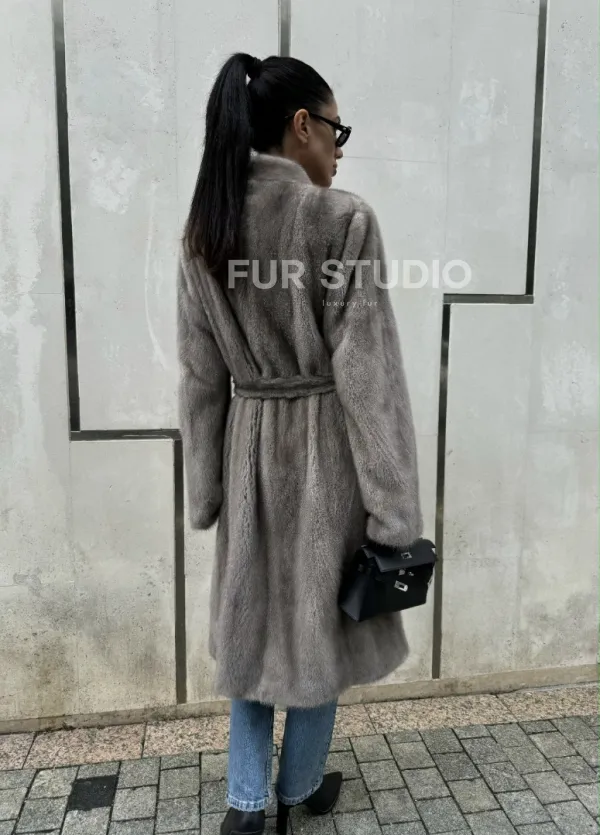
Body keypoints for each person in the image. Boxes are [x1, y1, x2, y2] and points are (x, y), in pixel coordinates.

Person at [177, 52, 422, 835]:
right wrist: (393, 511)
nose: (340, 151)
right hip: (325, 453)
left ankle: (247, 803)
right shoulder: (341, 220)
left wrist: (206, 488)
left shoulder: (206, 230)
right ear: (302, 125)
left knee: (249, 628)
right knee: (323, 624)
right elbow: (370, 378)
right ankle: (302, 783)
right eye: (337, 131)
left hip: (249, 447)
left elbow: (200, 378)